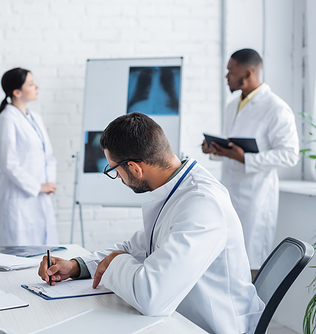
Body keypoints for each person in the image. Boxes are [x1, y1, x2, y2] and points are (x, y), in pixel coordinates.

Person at [38, 113, 264, 334]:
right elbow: (135, 248)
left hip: (214, 326)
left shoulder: (202, 204)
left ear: (135, 168)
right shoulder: (175, 188)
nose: (118, 178)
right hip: (183, 318)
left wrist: (116, 262)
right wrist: (76, 266)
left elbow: (151, 296)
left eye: (115, 170)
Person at [202, 49, 299, 275]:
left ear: (248, 73)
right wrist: (216, 150)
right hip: (230, 192)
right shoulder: (231, 106)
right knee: (227, 261)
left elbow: (290, 154)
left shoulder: (276, 108)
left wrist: (245, 158)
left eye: (230, 71)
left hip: (256, 198)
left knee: (251, 264)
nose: (226, 76)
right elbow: (233, 146)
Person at [0, 68, 59, 246]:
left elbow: (49, 155)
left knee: (46, 249)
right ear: (17, 92)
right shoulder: (6, 119)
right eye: (30, 84)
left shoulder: (35, 118)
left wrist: (48, 184)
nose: (36, 86)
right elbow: (8, 163)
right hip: (19, 197)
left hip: (41, 194)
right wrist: (37, 187)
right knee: (21, 251)